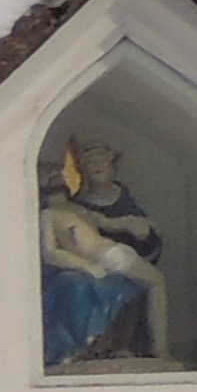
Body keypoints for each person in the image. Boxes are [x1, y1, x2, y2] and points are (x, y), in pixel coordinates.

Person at [38, 138, 167, 368]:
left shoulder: (80, 209)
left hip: (115, 255)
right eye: (50, 175)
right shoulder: (48, 216)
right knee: (153, 283)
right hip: (102, 261)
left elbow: (112, 223)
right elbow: (50, 252)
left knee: (156, 282)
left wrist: (137, 223)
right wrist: (86, 267)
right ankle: (151, 350)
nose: (57, 176)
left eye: (59, 174)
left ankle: (160, 351)